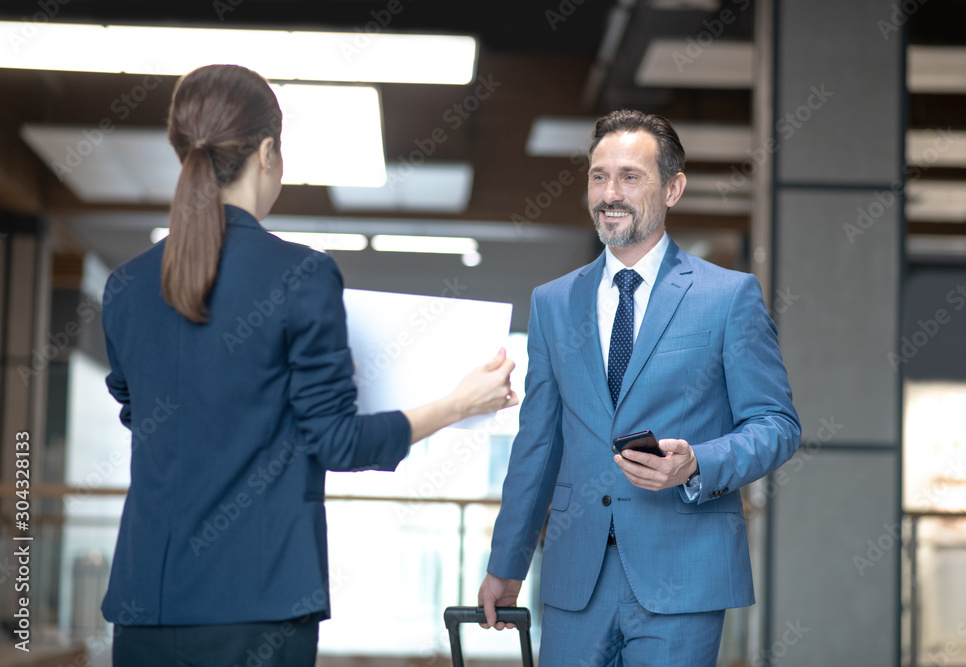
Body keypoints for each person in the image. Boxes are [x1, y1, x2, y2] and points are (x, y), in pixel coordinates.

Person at [100, 64, 517, 666]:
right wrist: (457, 404)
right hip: (258, 605)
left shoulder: (126, 286)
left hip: (146, 603)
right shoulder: (300, 276)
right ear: (268, 152)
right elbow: (339, 442)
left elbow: (141, 412)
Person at [477, 110, 800, 665]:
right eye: (598, 176)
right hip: (575, 579)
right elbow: (537, 445)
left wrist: (698, 461)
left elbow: (777, 425)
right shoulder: (554, 304)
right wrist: (506, 562)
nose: (610, 193)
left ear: (673, 188)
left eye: (630, 176)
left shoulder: (727, 297)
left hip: (682, 577)